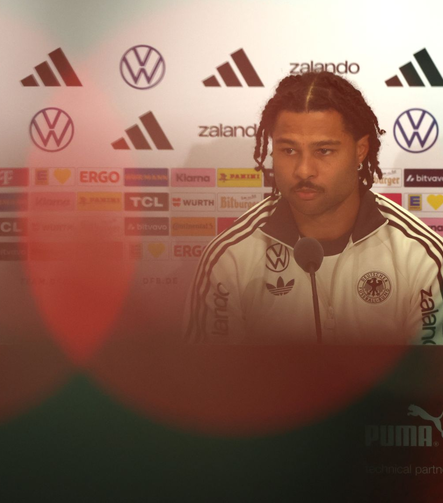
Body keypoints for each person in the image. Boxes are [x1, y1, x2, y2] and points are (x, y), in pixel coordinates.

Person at [184, 71, 443, 344]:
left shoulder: (421, 256)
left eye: (324, 151)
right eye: (289, 150)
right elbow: (208, 371)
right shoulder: (230, 256)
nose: (303, 170)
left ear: (360, 150)